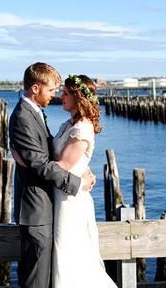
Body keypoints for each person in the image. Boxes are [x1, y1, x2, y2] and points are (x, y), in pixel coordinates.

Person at [10, 63, 96, 288]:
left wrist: (26, 162)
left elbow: (43, 159)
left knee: (51, 271)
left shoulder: (36, 113)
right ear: (36, 88)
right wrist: (77, 183)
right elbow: (41, 163)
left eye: (62, 92)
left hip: (52, 205)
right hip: (36, 209)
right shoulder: (23, 117)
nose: (56, 95)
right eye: (52, 90)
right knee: (37, 276)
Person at [49, 74, 116, 288]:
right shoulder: (70, 124)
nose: (61, 96)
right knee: (65, 254)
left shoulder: (82, 128)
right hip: (63, 194)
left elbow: (62, 166)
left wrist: (26, 162)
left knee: (68, 255)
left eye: (66, 93)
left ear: (79, 97)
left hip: (70, 200)